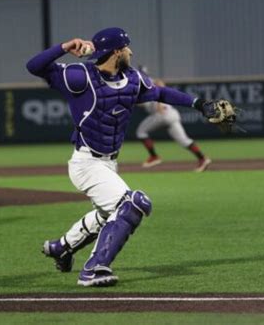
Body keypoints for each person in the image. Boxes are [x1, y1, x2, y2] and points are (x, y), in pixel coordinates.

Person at [26, 27, 216, 287]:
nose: (131, 51)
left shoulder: (133, 79)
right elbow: (34, 66)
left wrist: (199, 104)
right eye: (126, 47)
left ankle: (61, 247)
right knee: (133, 204)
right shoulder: (81, 77)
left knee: (106, 216)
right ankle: (94, 269)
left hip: (108, 163)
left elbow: (161, 93)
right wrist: (64, 47)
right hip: (86, 163)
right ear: (116, 51)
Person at [136, 78, 212, 171]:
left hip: (163, 115)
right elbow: (140, 102)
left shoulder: (149, 84)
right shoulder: (143, 94)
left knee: (141, 132)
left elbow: (159, 83)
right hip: (172, 115)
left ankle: (154, 157)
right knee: (184, 140)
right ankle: (202, 158)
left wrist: (159, 102)